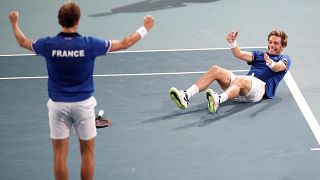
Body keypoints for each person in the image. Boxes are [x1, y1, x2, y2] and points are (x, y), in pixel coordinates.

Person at [9, 1, 154, 180]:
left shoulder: (48, 44)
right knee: (87, 154)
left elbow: (22, 41)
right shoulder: (90, 44)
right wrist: (145, 28)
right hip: (83, 106)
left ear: (59, 21)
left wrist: (14, 23)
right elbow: (125, 43)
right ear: (77, 20)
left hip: (58, 106)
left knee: (59, 156)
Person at [169, 30, 292, 112]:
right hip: (241, 87)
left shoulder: (284, 58)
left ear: (282, 46)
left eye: (275, 43)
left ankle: (218, 100)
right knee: (215, 69)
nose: (271, 45)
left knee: (241, 79)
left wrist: (270, 63)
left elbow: (278, 67)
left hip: (259, 89)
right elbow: (239, 54)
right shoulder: (260, 54)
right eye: (270, 42)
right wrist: (233, 43)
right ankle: (186, 95)